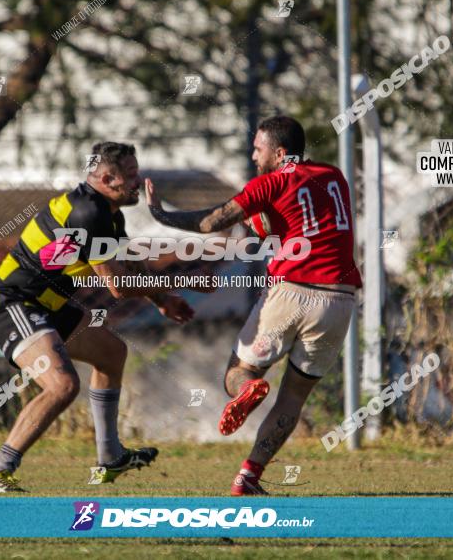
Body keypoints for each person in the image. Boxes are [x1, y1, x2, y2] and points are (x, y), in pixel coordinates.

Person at [147, 116, 362, 495]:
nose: (253, 155)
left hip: (292, 290)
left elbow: (214, 220)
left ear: (279, 153)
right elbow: (303, 219)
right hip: (340, 299)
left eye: (258, 149)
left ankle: (248, 389)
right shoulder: (333, 176)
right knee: (293, 397)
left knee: (237, 373)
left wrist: (161, 214)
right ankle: (249, 476)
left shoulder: (271, 182)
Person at [0, 141, 206, 493]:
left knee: (112, 353)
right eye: (130, 175)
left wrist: (162, 300)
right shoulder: (88, 213)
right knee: (62, 386)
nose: (138, 181)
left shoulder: (107, 212)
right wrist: (183, 280)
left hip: (47, 304)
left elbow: (131, 262)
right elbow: (117, 285)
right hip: (12, 304)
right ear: (107, 177)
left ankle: (110, 457)